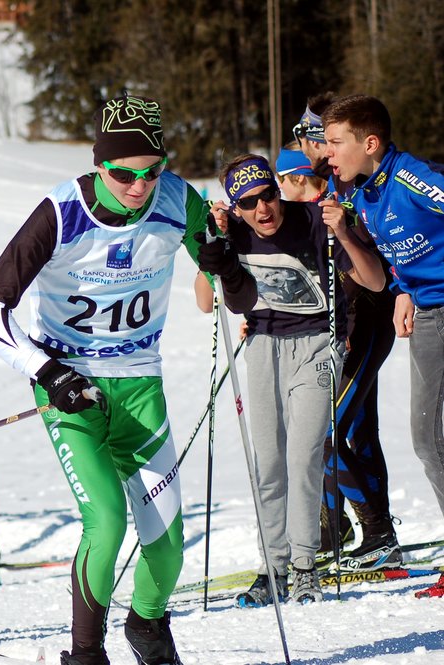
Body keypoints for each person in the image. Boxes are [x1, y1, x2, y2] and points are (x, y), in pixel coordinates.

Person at [0, 95, 204, 665]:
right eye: (124, 173)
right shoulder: (61, 211)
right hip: (71, 389)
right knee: (107, 519)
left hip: (139, 387)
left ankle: (148, 628)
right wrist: (48, 372)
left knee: (168, 547)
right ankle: (84, 653)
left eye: (151, 171)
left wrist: (230, 267)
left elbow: (220, 258)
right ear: (100, 165)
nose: (138, 185)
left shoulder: (177, 197)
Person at [199, 154, 384, 607]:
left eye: (267, 196)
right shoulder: (234, 231)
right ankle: (271, 568)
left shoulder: (313, 222)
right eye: (248, 203)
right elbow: (208, 304)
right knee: (268, 463)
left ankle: (304, 568)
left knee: (303, 457)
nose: (262, 210)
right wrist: (208, 248)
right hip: (263, 345)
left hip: (318, 345)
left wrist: (342, 231)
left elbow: (376, 281)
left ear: (277, 191)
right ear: (235, 206)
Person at [321, 94, 444, 596]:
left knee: (431, 439)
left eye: (335, 143)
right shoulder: (366, 196)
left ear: (370, 143)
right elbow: (375, 279)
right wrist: (402, 290)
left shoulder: (414, 177)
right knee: (428, 438)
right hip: (429, 314)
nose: (328, 154)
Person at [288, 105, 401, 569]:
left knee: (325, 434)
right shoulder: (329, 183)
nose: (322, 151)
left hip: (365, 326)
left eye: (322, 142)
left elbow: (369, 261)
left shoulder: (348, 186)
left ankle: (377, 533)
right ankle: (339, 531)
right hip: (346, 326)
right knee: (354, 431)